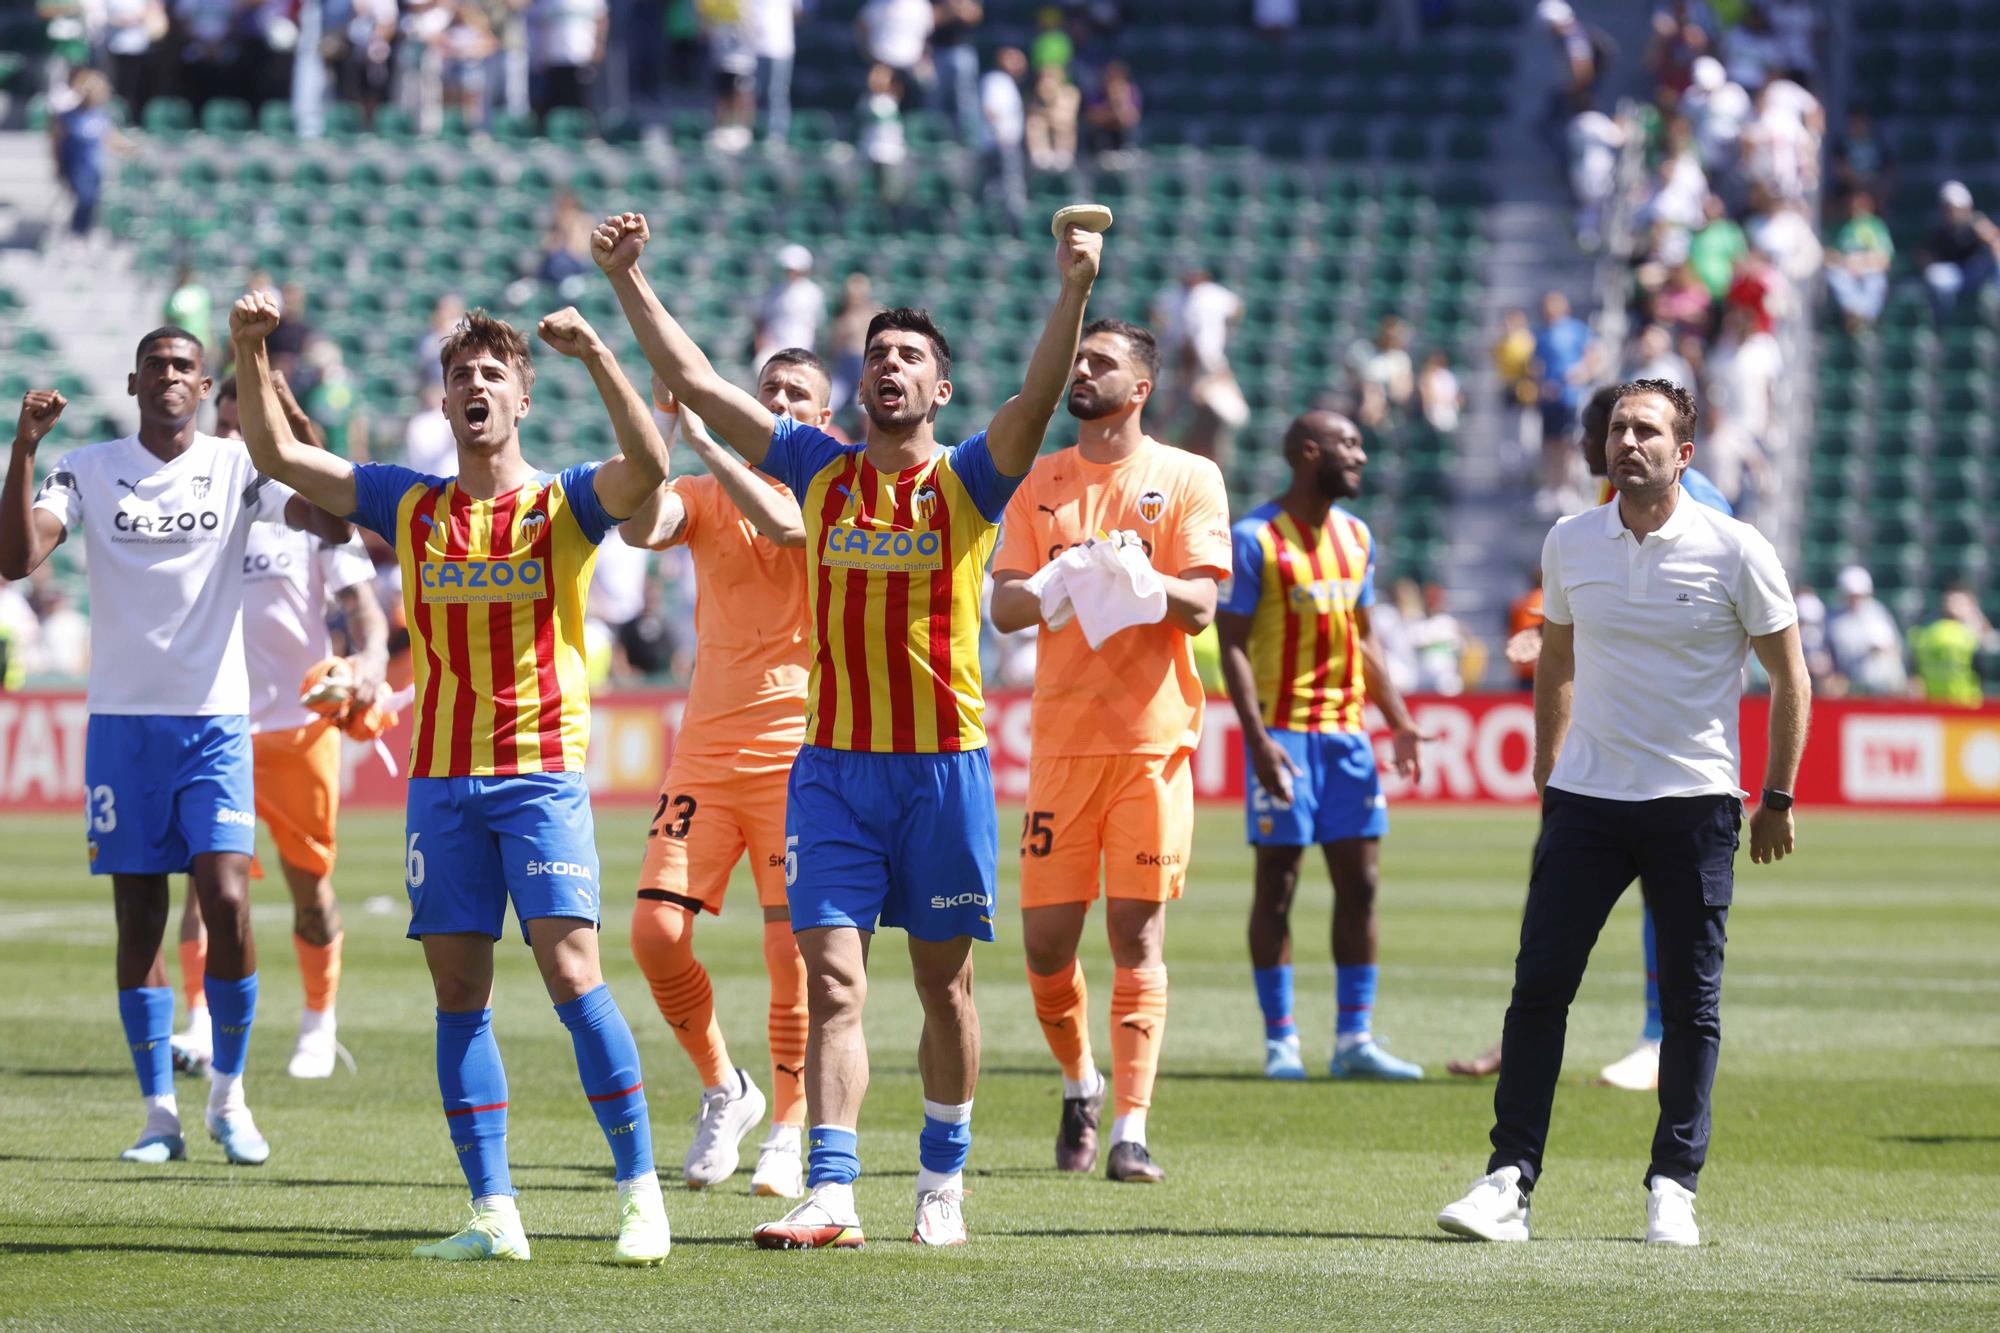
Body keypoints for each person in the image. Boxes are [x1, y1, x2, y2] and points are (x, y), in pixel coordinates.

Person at [600, 208, 1101, 1248]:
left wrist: (1072, 287)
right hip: (829, 771)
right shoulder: (815, 471)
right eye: (877, 354)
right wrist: (627, 280)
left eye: (911, 356)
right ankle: (830, 1187)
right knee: (833, 979)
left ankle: (941, 1175)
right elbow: (697, 387)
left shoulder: (963, 482)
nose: (889, 367)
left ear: (939, 389)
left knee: (944, 986)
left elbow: (1041, 397)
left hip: (940, 774)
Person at [226, 286, 673, 1264]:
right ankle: (493, 1210)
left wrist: (595, 351)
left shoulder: (565, 500)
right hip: (441, 782)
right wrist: (250, 348)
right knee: (458, 990)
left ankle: (641, 1193)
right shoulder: (411, 502)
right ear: (443, 406)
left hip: (540, 772)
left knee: (571, 972)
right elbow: (278, 456)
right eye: (460, 376)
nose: (474, 384)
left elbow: (651, 465)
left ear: (521, 402)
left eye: (493, 375)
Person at [1438, 379, 1810, 1247]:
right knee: (1538, 993)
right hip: (1588, 804)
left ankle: (1674, 1185)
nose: (1628, 441)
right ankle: (1507, 1181)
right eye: (1617, 428)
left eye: (1647, 430)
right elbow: (1557, 653)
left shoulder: (1736, 547)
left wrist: (1778, 797)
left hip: (1696, 805)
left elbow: (1790, 677)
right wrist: (1547, 767)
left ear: (1685, 453)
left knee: (1691, 1004)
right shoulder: (1570, 540)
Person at [0, 327, 355, 1167]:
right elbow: (15, 557)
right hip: (124, 726)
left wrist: (296, 435)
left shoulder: (239, 469)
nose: (169, 376)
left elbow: (331, 527)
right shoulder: (85, 466)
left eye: (183, 368)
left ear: (203, 389)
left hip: (214, 724)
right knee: (139, 919)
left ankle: (229, 1096)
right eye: (156, 365)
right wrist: (23, 448)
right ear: (132, 382)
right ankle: (159, 1112)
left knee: (228, 896)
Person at [988, 320, 1230, 1183]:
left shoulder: (1188, 476)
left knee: (1137, 932)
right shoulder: (1039, 480)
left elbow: (1201, 605)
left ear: (1140, 389)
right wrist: (1053, 583)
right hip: (1060, 741)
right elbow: (1005, 606)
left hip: (1148, 741)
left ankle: (1131, 1125)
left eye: (1101, 363)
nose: (1082, 370)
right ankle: (1078, 1080)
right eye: (1078, 358)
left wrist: (1145, 582)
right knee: (1048, 947)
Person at [1452, 381, 1735, 1086]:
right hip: (1604, 749)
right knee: (1558, 900)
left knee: (1661, 902)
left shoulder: (1695, 504)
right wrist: (1549, 648)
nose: (1600, 453)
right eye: (1607, 436)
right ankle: (1534, 1035)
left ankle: (1658, 1035)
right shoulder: (1603, 520)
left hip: (1670, 755)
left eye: (1604, 437)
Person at [616, 352, 828, 1199]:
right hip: (704, 752)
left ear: (821, 416)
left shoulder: (828, 485)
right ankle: (723, 1087)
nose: (777, 404)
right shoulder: (705, 494)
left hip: (795, 752)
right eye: (768, 390)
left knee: (793, 951)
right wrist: (664, 431)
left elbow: (784, 528)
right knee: (653, 933)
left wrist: (706, 438)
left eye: (795, 396)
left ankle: (787, 1123)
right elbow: (637, 525)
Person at [167, 373, 390, 1083]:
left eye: (247, 424)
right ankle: (199, 1023)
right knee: (205, 883)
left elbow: (365, 609)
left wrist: (369, 663)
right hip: (217, 721)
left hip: (300, 728)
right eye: (225, 424)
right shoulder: (197, 510)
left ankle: (319, 1023)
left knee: (307, 888)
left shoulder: (307, 515)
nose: (234, 437)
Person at [1216, 412, 1427, 1084]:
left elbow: (1363, 639)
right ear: (1310, 453)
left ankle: (1353, 1038)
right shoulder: (1253, 539)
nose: (1361, 456)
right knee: (1277, 885)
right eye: (1350, 445)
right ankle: (1281, 1040)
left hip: (1346, 738)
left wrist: (1395, 717)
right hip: (1283, 736)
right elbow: (1232, 645)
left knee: (1361, 883)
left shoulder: (1357, 536)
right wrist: (1255, 741)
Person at [1921, 181, 2000, 325]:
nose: (1954, 213)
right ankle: (1945, 324)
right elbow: (1926, 258)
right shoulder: (1939, 231)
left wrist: (1988, 236)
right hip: (1954, 276)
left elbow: (1997, 248)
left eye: (1958, 209)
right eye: (1949, 209)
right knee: (1936, 276)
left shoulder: (1978, 225)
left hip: (1977, 273)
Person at [1826, 564, 1907, 697]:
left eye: (1858, 595)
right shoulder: (1834, 619)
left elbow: (1894, 649)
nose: (1855, 599)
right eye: (1851, 595)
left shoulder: (1878, 613)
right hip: (1850, 687)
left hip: (1882, 686)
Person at [1910, 584, 1995, 707]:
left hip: (1933, 704)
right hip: (1966, 703)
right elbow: (1982, 667)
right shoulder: (1968, 636)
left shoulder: (1927, 633)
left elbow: (1915, 668)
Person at [1825, 189, 1894, 332]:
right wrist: (1846, 263)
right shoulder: (1840, 226)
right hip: (1845, 271)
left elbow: (1885, 260)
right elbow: (1827, 255)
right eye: (1854, 203)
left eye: (1862, 203)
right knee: (1836, 276)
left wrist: (1861, 264)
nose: (1857, 207)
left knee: (1875, 279)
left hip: (1870, 270)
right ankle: (1856, 315)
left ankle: (1863, 318)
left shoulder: (1877, 226)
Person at [979, 47, 1029, 233]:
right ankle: (1005, 229)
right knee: (1006, 188)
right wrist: (1001, 136)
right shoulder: (996, 79)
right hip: (1000, 144)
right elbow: (990, 110)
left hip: (1004, 144)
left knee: (1002, 188)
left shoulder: (1007, 82)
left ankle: (1000, 228)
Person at [755, 244, 825, 365]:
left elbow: (817, 324)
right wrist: (763, 341)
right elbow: (763, 319)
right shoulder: (775, 290)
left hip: (803, 346)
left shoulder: (813, 292)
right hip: (775, 346)